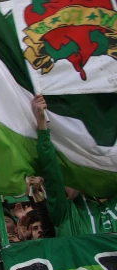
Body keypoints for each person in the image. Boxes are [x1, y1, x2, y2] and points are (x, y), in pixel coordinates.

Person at [31, 95, 117, 235]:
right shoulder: (64, 215)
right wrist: (41, 124)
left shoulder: (112, 205)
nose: (71, 176)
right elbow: (52, 171)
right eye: (66, 174)